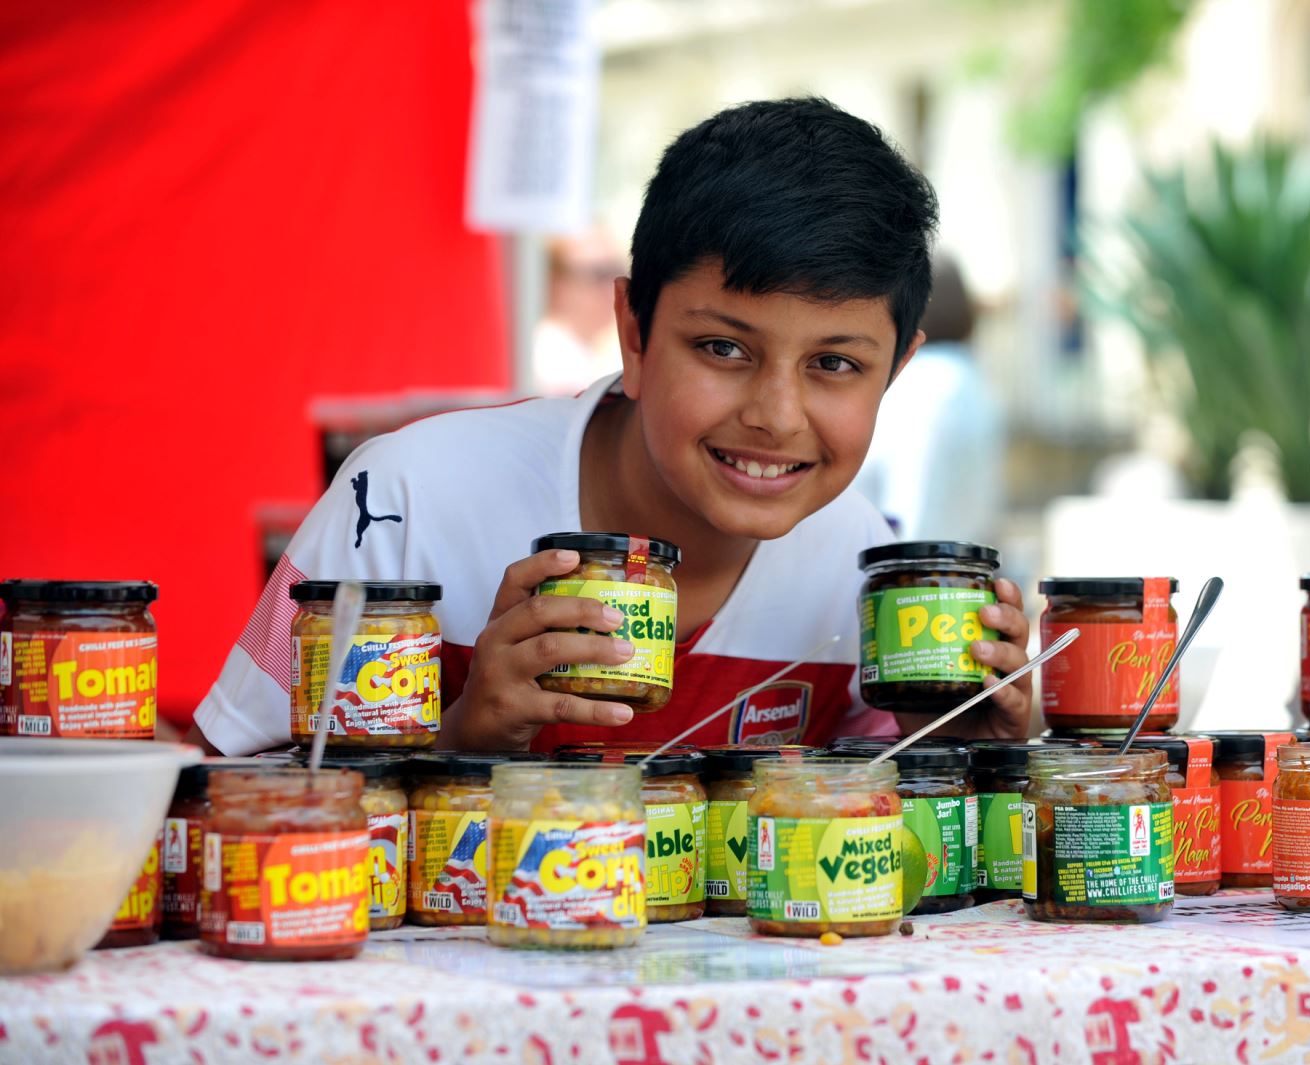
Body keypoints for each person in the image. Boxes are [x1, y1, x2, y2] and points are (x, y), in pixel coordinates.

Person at [193, 98, 1035, 755]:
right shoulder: (404, 505)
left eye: (836, 365)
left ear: (896, 372)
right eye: (722, 347)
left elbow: (876, 850)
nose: (775, 416)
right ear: (632, 332)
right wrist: (458, 738)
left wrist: (969, 747)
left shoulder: (866, 579)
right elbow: (228, 798)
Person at [853, 256, 1003, 542]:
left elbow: (913, 495)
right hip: (958, 556)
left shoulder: (926, 385)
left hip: (910, 566)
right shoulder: (972, 380)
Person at [530, 226, 627, 396]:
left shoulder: (588, 353)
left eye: (617, 270)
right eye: (600, 274)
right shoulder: (551, 359)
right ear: (555, 280)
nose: (613, 286)